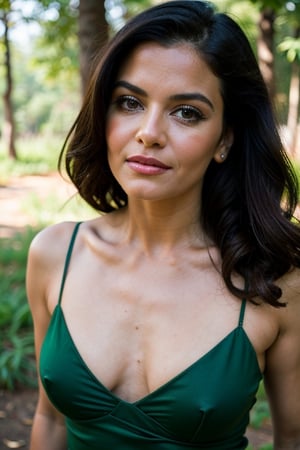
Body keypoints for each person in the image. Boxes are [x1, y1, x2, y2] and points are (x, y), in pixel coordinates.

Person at [26, 1, 300, 449]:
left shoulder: (274, 281)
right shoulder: (55, 254)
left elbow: (294, 437)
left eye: (186, 112)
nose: (149, 132)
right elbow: (50, 420)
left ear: (225, 139)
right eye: (129, 102)